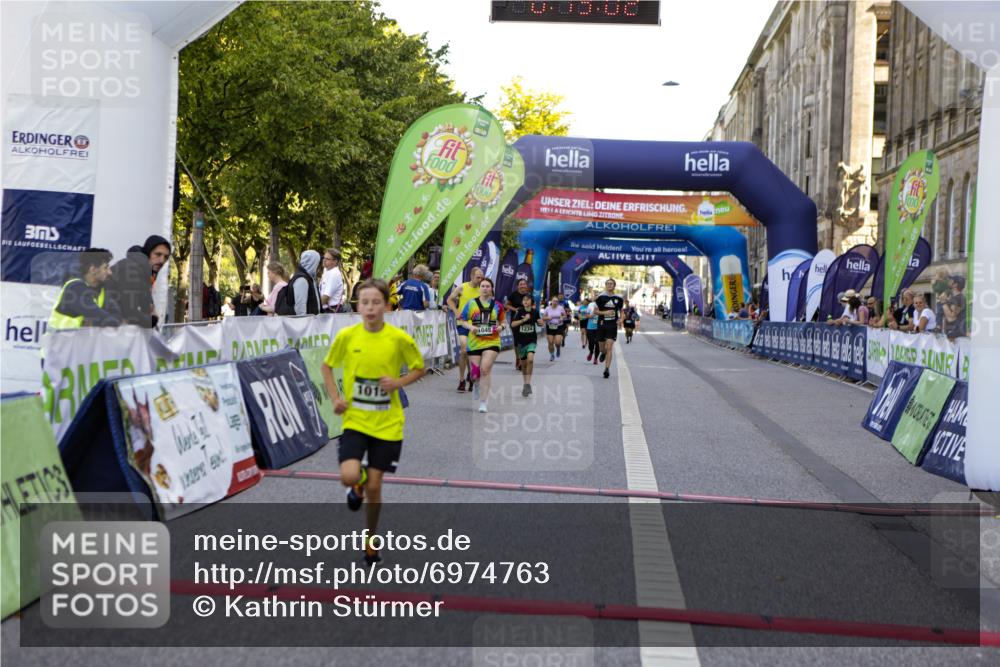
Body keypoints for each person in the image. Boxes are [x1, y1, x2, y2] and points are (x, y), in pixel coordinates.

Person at [320, 279, 426, 565]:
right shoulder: (348, 336)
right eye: (364, 302)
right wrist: (334, 398)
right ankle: (357, 485)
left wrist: (397, 382)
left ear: (387, 306)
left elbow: (419, 369)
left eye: (375, 302)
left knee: (376, 488)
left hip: (388, 424)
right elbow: (327, 367)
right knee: (350, 475)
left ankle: (370, 541)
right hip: (356, 420)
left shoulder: (398, 339)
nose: (369, 308)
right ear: (358, 307)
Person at [458, 277, 503, 413]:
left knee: (485, 369)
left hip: (492, 341)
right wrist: (470, 327)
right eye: (482, 286)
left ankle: (483, 402)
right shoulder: (471, 304)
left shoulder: (497, 305)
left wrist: (501, 327)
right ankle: (476, 385)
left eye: (487, 286)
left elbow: (503, 321)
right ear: (479, 288)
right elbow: (462, 320)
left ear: (491, 289)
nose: (485, 288)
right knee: (475, 374)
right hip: (475, 342)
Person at [107, 235, 171, 328]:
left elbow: (147, 307)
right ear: (148, 253)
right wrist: (152, 320)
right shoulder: (131, 269)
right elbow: (130, 313)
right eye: (158, 254)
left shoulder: (144, 271)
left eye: (166, 257)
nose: (162, 260)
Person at [49, 248, 122, 329]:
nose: (110, 272)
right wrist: (101, 318)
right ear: (93, 269)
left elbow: (117, 317)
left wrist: (102, 319)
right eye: (106, 268)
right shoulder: (75, 288)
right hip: (59, 338)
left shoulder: (102, 289)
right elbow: (99, 317)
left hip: (78, 339)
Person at [446, 266, 485, 392]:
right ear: (471, 276)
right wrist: (456, 311)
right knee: (463, 350)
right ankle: (462, 380)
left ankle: (470, 375)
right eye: (478, 277)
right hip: (462, 323)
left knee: (471, 352)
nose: (480, 279)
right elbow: (449, 300)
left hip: (476, 326)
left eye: (481, 277)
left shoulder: (483, 290)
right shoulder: (462, 287)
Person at [510, 293, 542, 397]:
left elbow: (539, 322)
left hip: (531, 340)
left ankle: (528, 383)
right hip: (521, 341)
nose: (526, 301)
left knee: (530, 359)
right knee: (523, 364)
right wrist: (524, 319)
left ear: (531, 302)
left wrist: (541, 322)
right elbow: (513, 324)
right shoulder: (519, 311)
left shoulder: (535, 312)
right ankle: (525, 384)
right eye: (524, 300)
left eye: (528, 300)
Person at [594, 278, 624, 379]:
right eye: (608, 283)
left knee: (610, 347)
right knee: (603, 348)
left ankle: (606, 369)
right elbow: (595, 311)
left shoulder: (619, 298)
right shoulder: (600, 297)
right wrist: (604, 313)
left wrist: (621, 319)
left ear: (614, 286)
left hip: (612, 325)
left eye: (611, 284)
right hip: (602, 324)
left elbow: (622, 311)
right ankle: (603, 352)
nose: (609, 285)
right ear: (605, 285)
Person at [279, 250, 321, 316]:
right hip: (306, 323)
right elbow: (300, 306)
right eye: (317, 262)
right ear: (313, 263)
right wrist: (303, 323)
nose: (318, 265)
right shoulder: (302, 279)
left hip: (311, 322)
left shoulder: (307, 278)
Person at [504, 279, 532, 372]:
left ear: (526, 286)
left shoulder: (529, 295)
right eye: (521, 284)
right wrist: (515, 309)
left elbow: (534, 306)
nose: (523, 285)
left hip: (527, 320)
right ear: (518, 286)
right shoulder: (513, 294)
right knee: (517, 341)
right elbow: (506, 305)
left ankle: (523, 358)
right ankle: (518, 358)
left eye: (524, 284)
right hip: (515, 320)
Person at [319, 248, 345, 313]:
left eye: (327, 259)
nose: (324, 260)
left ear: (335, 261)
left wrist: (313, 307)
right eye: (324, 258)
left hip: (331, 310)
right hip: (327, 309)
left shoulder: (334, 274)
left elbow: (325, 297)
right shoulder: (326, 270)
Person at [542, 296, 566, 362]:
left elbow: (565, 315)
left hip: (559, 326)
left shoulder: (560, 308)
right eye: (554, 301)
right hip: (550, 326)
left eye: (556, 301)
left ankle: (558, 348)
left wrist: (562, 318)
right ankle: (552, 355)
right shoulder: (547, 308)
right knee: (550, 342)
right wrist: (548, 318)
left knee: (558, 343)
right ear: (551, 301)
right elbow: (543, 318)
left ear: (558, 302)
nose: (555, 302)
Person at [585, 295, 601, 363]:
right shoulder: (590, 305)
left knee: (598, 344)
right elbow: (586, 315)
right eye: (596, 298)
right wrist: (590, 316)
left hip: (599, 327)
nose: (597, 299)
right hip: (590, 327)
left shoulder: (603, 306)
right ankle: (591, 352)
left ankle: (595, 358)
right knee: (591, 343)